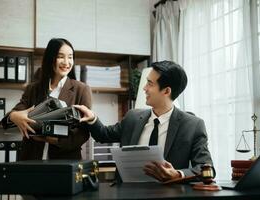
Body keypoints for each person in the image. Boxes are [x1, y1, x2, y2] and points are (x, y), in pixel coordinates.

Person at [75, 60, 213, 182]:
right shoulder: (132, 118)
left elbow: (206, 168)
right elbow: (103, 134)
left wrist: (178, 174)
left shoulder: (193, 125)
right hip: (128, 194)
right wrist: (92, 118)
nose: (144, 88)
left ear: (166, 91)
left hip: (169, 194)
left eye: (150, 84)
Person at [2, 38, 92, 160]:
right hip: (31, 160)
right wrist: (14, 116)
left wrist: (52, 139)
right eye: (61, 57)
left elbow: (83, 134)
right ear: (50, 58)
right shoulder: (34, 88)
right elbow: (8, 120)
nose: (66, 62)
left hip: (64, 162)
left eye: (70, 57)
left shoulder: (81, 89)